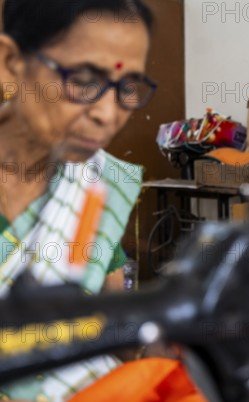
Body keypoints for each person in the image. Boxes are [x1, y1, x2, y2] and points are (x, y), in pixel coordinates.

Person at [0, 0, 160, 400]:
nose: (108, 114)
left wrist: (162, 344)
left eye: (128, 88)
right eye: (85, 80)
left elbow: (113, 327)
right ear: (9, 63)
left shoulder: (95, 184)